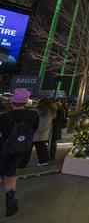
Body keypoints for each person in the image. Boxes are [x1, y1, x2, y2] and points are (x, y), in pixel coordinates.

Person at [0, 89, 39, 217]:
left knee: (5, 172)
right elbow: (34, 128)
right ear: (26, 101)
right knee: (10, 174)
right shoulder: (33, 116)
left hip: (4, 149)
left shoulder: (4, 117)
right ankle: (10, 196)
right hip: (21, 149)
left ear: (12, 100)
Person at [31, 99, 54, 167]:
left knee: (37, 148)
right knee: (42, 147)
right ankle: (44, 160)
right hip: (44, 133)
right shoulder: (50, 112)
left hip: (36, 132)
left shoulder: (39, 111)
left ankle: (43, 161)